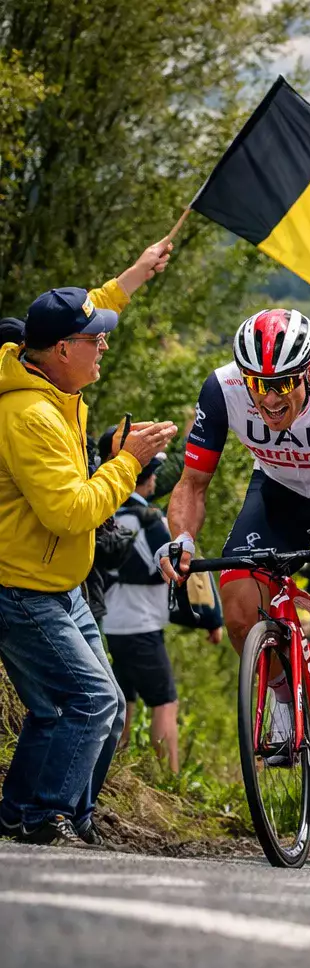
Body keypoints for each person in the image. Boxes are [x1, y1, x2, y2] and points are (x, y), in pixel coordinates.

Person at [160, 308, 310, 826]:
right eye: (258, 385)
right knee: (237, 606)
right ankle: (282, 694)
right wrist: (180, 538)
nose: (269, 399)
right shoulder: (222, 389)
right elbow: (192, 484)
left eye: (282, 386)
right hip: (277, 497)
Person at [0, 269, 179, 844]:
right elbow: (71, 512)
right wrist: (125, 462)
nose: (103, 344)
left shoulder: (49, 375)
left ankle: (43, 814)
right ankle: (46, 816)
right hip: (23, 585)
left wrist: (140, 271)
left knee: (91, 712)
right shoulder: (31, 416)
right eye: (93, 340)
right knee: (94, 699)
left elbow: (90, 304)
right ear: (60, 350)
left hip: (61, 580)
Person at [100, 429, 204, 773]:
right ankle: (169, 776)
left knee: (123, 699)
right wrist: (207, 617)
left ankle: (115, 768)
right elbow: (169, 569)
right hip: (141, 622)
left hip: (110, 621)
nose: (156, 479)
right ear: (145, 479)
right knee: (165, 703)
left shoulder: (105, 513)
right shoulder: (148, 521)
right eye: (154, 473)